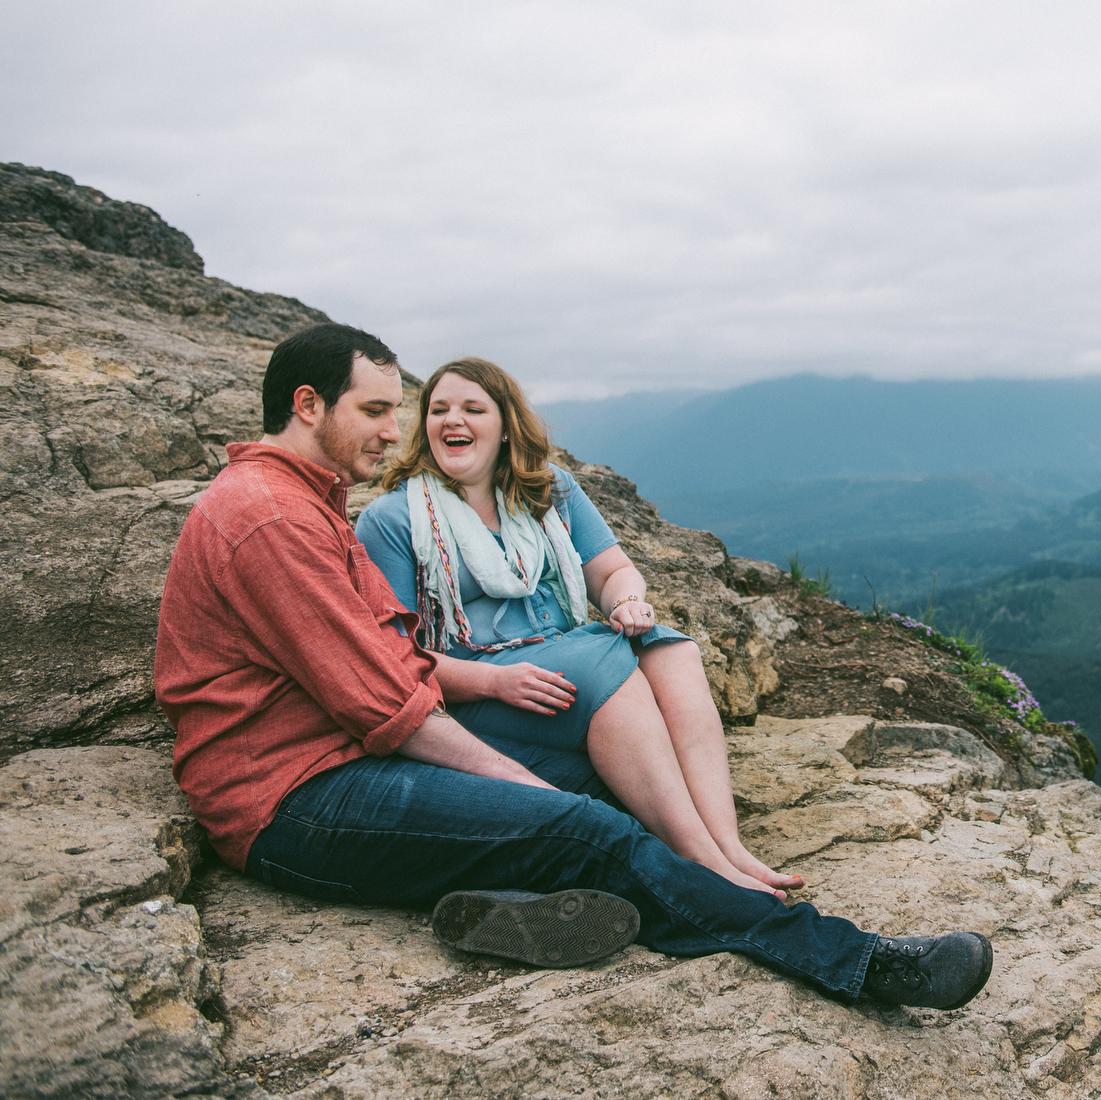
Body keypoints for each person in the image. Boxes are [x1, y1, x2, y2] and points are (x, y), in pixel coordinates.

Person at [154, 322, 991, 1008]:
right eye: (376, 409)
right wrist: (531, 795)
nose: (390, 429)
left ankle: (521, 904)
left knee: (594, 787)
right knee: (584, 823)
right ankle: (859, 963)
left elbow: (389, 663)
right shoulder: (269, 519)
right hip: (294, 800)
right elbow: (392, 706)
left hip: (338, 767)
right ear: (309, 405)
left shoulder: (302, 502)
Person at [353, 356, 795, 901]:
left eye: (473, 408)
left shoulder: (548, 489)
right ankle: (699, 861)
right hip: (476, 682)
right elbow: (392, 654)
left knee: (671, 652)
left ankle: (729, 845)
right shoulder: (394, 519)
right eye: (439, 409)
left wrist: (627, 601)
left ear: (506, 424)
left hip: (561, 652)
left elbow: (611, 570)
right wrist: (492, 683)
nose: (452, 420)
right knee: (603, 665)